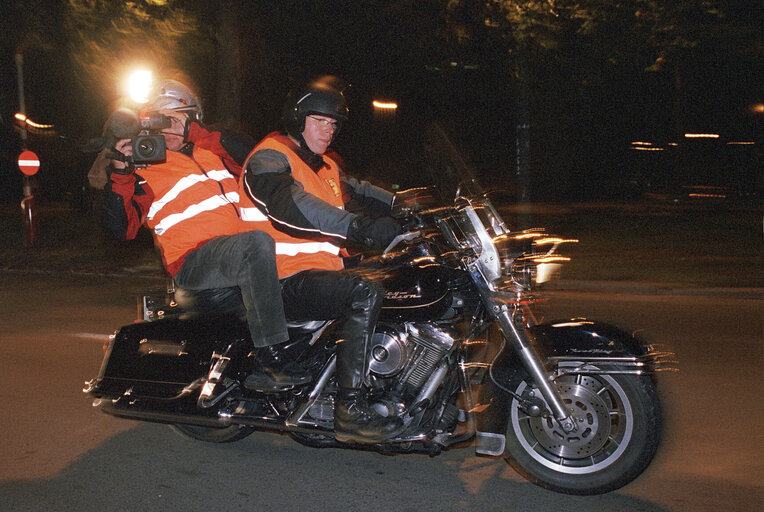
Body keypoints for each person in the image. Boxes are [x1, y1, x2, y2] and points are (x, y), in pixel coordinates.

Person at [102, 78, 309, 386]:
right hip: (194, 263)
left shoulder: (215, 153)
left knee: (309, 268)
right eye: (158, 120)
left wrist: (193, 133)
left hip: (241, 257)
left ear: (193, 117)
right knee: (255, 244)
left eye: (173, 118)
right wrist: (120, 170)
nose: (166, 128)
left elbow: (257, 156)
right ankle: (271, 354)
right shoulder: (144, 168)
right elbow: (122, 228)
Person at [239, 79, 406, 443]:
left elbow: (360, 191)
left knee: (401, 276)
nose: (327, 131)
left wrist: (408, 205)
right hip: (279, 280)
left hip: (319, 273)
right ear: (297, 120)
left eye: (333, 124)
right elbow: (292, 207)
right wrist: (357, 226)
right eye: (319, 121)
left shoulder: (325, 166)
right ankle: (350, 409)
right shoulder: (269, 158)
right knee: (363, 293)